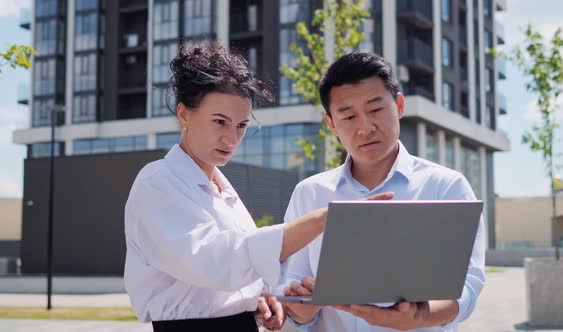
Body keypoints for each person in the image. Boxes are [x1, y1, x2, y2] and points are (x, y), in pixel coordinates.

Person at [123, 42, 391, 332]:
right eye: (219, 122)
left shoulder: (224, 191)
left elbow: (236, 277)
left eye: (240, 126)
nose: (231, 139)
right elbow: (217, 262)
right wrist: (325, 219)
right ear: (184, 114)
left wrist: (262, 300)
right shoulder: (157, 182)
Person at [281, 52, 486, 332]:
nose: (365, 128)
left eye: (375, 110)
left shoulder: (446, 186)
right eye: (348, 116)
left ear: (399, 105)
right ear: (331, 124)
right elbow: (295, 290)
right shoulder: (309, 193)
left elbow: (467, 285)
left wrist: (420, 317)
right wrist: (301, 311)